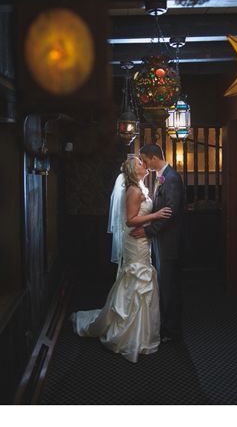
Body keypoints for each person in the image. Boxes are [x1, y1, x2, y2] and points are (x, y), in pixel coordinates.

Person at [71, 155, 172, 362]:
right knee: (137, 278)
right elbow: (130, 220)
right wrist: (155, 216)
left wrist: (150, 224)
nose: (143, 164)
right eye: (139, 163)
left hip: (142, 240)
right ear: (133, 171)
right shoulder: (134, 190)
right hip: (134, 241)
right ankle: (128, 334)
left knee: (142, 278)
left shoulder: (142, 187)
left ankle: (143, 334)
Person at [132, 144, 186, 342]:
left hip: (169, 242)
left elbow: (169, 212)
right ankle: (165, 325)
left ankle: (172, 331)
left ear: (154, 157)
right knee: (164, 285)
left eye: (145, 160)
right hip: (160, 240)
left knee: (169, 287)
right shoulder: (160, 176)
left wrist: (147, 231)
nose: (144, 165)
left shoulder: (171, 178)